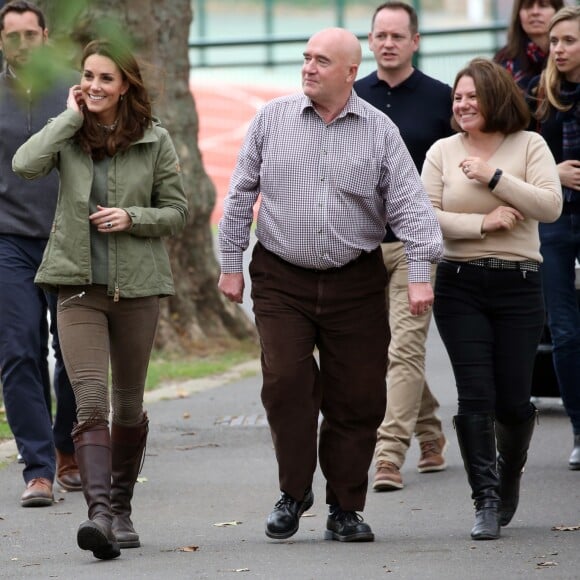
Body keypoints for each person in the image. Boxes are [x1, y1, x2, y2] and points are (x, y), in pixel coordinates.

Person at [218, 27, 443, 543]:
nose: (308, 67)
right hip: (281, 276)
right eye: (305, 58)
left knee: (358, 397)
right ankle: (293, 493)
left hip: (355, 281)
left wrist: (419, 275)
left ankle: (345, 507)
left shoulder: (380, 131)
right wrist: (231, 263)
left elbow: (412, 208)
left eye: (321, 61)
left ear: (349, 72)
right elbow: (239, 194)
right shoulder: (271, 119)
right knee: (286, 384)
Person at [13, 39, 188, 560]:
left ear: (125, 86)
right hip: (78, 286)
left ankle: (122, 507)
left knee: (129, 405)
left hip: (138, 288)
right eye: (87, 75)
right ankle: (100, 517)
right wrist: (68, 119)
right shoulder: (70, 135)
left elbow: (177, 212)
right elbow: (25, 164)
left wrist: (133, 218)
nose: (93, 85)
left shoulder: (155, 140)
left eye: (105, 79)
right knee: (91, 399)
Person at [422, 58, 562, 540]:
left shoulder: (530, 145)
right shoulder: (441, 151)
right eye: (457, 97)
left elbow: (549, 204)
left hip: (519, 285)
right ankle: (484, 500)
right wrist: (483, 222)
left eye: (471, 97)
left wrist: (495, 177)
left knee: (513, 398)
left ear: (495, 97)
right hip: (459, 284)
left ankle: (509, 473)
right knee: (474, 393)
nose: (461, 104)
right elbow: (427, 215)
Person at [354, 1, 452, 492]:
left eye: (398, 35)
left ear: (415, 41)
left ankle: (388, 454)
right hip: (361, 250)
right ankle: (431, 430)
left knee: (406, 349)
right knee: (383, 352)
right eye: (380, 35)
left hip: (417, 248)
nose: (388, 43)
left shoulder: (441, 100)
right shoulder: (351, 96)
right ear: (369, 41)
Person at [0, 0, 81, 508]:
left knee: (74, 353)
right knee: (17, 351)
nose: (23, 44)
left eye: (32, 35)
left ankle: (68, 447)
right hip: (8, 240)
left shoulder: (76, 89)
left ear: (45, 37)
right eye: (13, 36)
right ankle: (38, 469)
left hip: (69, 239)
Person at [529, 6, 580, 470]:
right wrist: (553, 172)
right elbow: (520, 151)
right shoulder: (539, 94)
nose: (559, 48)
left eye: (570, 40)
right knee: (563, 330)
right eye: (556, 41)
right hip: (556, 221)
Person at [494, 0, 564, 92]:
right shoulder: (504, 62)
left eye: (543, 6)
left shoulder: (570, 55)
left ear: (558, 11)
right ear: (518, 14)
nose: (535, 12)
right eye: (527, 6)